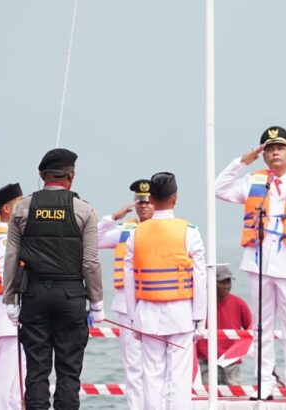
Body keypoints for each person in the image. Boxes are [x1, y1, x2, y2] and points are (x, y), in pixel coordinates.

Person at [214, 126, 286, 400]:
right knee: (261, 327)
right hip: (259, 264)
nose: (275, 152)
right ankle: (263, 382)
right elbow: (218, 189)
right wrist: (242, 161)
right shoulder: (252, 181)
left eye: (280, 148)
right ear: (263, 154)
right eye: (269, 149)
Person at [2, 149, 102, 410]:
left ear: (41, 175)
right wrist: (97, 303)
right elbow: (90, 262)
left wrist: (9, 300)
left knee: (36, 369)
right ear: (72, 175)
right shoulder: (85, 210)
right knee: (69, 370)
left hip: (34, 295)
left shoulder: (22, 208)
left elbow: (11, 256)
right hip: (71, 296)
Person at [125, 172, 206, 410]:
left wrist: (133, 318)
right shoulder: (189, 231)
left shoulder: (136, 232)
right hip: (181, 314)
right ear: (175, 198)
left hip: (147, 313)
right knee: (179, 378)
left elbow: (129, 278)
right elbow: (199, 277)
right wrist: (200, 319)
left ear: (150, 199)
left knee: (151, 376)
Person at [97, 179, 153, 409]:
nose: (143, 206)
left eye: (148, 202)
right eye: (140, 202)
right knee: (132, 364)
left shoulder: (165, 228)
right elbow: (92, 239)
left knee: (156, 363)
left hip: (154, 301)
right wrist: (112, 217)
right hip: (126, 305)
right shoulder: (124, 230)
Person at [0, 183, 25, 410]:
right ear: (7, 209)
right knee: (4, 379)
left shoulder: (13, 234)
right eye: (19, 202)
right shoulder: (2, 235)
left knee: (18, 381)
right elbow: (6, 273)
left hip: (16, 312)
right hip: (6, 312)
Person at [195, 266, 253, 386]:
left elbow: (252, 329)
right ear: (211, 283)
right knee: (205, 395)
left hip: (230, 362)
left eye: (228, 282)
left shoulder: (239, 304)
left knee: (234, 395)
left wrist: (238, 350)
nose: (226, 286)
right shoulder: (200, 304)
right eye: (222, 282)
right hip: (205, 362)